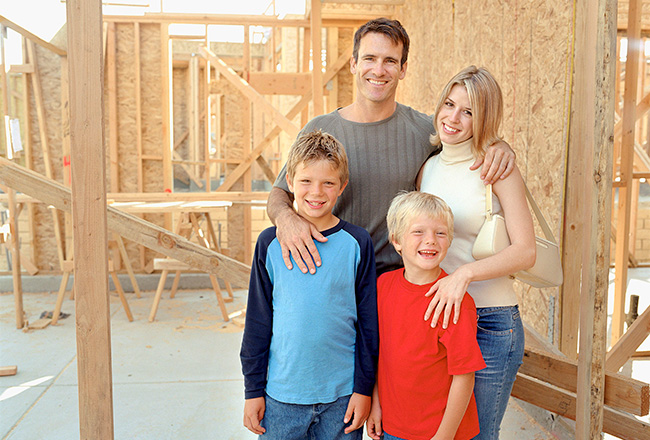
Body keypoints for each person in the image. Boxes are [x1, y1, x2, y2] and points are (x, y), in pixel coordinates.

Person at [267, 18, 516, 278]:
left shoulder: (425, 131)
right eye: (369, 58)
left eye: (389, 61)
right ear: (354, 64)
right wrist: (286, 219)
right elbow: (280, 192)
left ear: (403, 68)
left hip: (395, 281)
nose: (378, 70)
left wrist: (500, 145)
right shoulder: (320, 129)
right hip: (329, 273)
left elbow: (467, 133)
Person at [418, 65, 536, 440]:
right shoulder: (428, 168)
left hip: (490, 321)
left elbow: (525, 251)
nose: (453, 118)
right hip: (442, 319)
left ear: (483, 118)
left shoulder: (496, 167)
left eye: (468, 112)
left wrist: (465, 274)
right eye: (449, 104)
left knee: (478, 435)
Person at [240, 129, 378, 440]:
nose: (316, 192)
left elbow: (368, 324)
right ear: (288, 182)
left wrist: (363, 389)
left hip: (342, 398)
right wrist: (253, 390)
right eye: (305, 181)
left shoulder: (357, 243)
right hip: (281, 399)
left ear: (341, 186)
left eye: (328, 183)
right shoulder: (269, 244)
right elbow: (258, 322)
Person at [366, 191, 486, 440]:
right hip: (393, 427)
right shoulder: (382, 287)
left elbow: (464, 377)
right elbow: (381, 354)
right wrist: (375, 402)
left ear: (450, 240)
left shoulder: (455, 301)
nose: (430, 240)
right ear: (396, 241)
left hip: (442, 432)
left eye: (440, 233)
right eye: (418, 232)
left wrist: (444, 436)